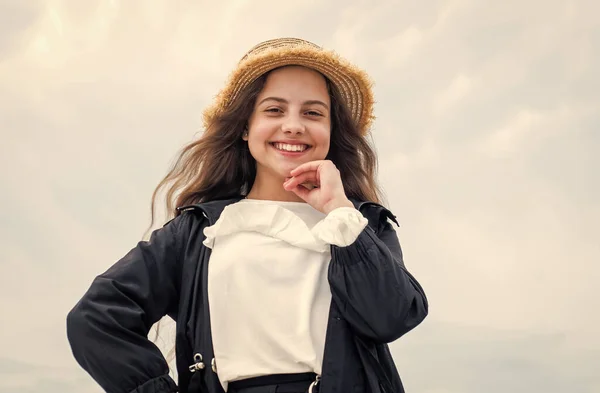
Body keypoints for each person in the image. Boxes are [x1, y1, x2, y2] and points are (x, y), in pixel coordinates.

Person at [66, 37, 428, 393]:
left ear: (331, 131)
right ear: (244, 127)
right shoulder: (198, 231)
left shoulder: (360, 224)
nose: (293, 125)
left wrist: (339, 211)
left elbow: (390, 319)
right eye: (274, 110)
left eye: (313, 113)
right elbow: (96, 318)